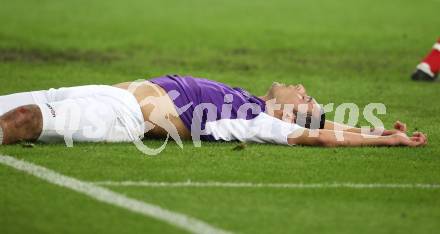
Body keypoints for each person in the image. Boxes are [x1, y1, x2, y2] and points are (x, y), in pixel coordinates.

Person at [0, 75, 427, 147]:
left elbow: (317, 132)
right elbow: (321, 122)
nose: (300, 87)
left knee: (25, 120)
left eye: (304, 94)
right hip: (110, 92)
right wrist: (379, 132)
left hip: (124, 119)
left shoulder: (256, 121)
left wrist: (391, 143)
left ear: (289, 115)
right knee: (11, 103)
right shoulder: (255, 103)